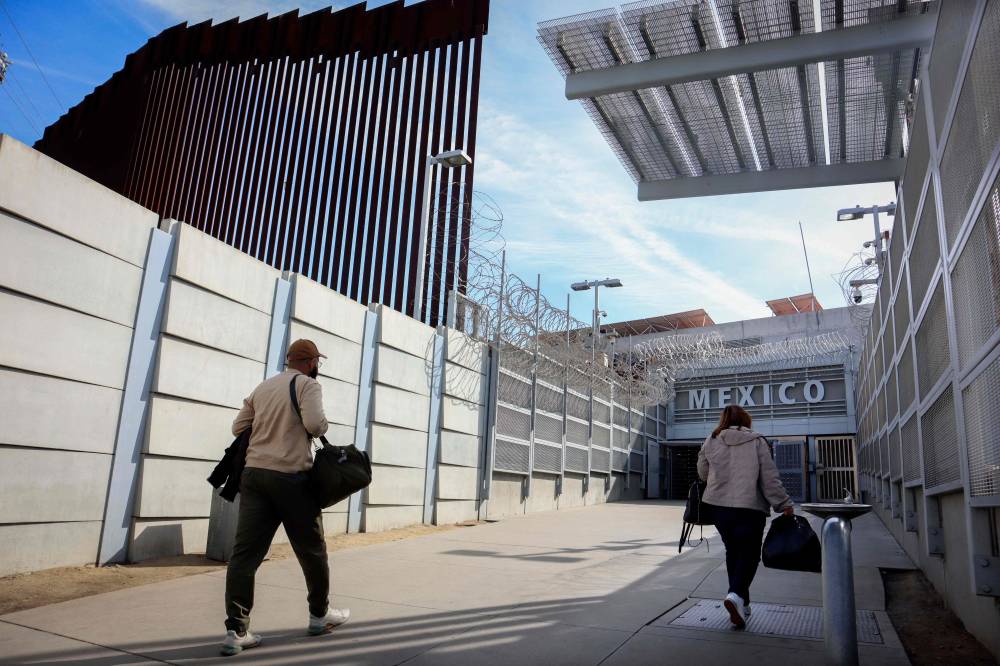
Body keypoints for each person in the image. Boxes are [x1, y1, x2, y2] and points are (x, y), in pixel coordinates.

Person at [220, 339, 350, 656]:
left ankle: (237, 631)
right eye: (317, 362)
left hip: (254, 476)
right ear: (311, 362)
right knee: (312, 551)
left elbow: (238, 427)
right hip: (291, 478)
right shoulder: (308, 385)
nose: (318, 367)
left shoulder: (263, 387)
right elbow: (315, 425)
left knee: (244, 556)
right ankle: (319, 616)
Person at [697, 405, 793, 630]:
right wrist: (783, 503)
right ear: (745, 420)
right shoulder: (757, 441)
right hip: (749, 507)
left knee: (733, 551)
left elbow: (703, 473)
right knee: (749, 555)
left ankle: (743, 603)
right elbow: (769, 477)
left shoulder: (711, 440)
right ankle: (736, 595)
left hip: (718, 507)